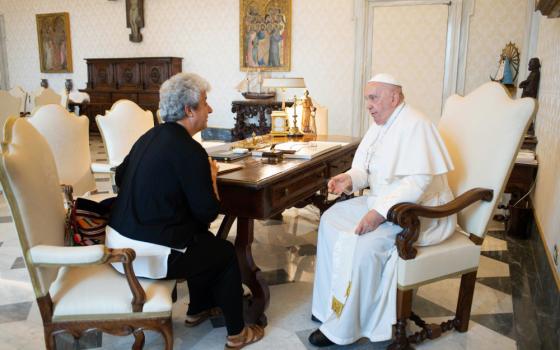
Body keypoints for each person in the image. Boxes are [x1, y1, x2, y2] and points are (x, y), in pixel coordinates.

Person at [106, 73, 264, 349]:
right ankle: (238, 333)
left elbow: (120, 178)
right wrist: (212, 180)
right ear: (190, 110)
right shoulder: (190, 150)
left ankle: (198, 309)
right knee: (224, 253)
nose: (210, 109)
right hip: (145, 255)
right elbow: (207, 212)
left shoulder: (149, 136)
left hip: (118, 243)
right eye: (205, 103)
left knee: (199, 240)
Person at [309, 73, 456, 347]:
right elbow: (366, 168)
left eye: (373, 98)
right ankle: (330, 308)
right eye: (367, 99)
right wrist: (350, 179)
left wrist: (377, 214)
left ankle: (347, 326)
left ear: (394, 97)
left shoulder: (417, 124)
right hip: (383, 202)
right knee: (330, 219)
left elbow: (419, 181)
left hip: (418, 212)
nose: (369, 105)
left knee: (366, 244)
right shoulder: (380, 124)